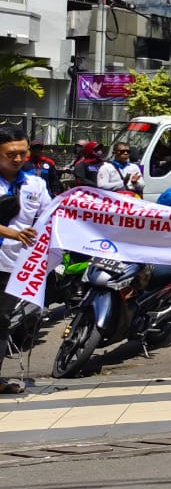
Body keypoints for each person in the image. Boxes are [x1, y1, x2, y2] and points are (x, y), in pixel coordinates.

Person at [0, 126, 51, 394]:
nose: (18, 159)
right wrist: (11, 233)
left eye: (22, 153)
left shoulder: (36, 184)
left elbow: (50, 216)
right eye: (11, 154)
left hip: (12, 265)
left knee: (2, 320)